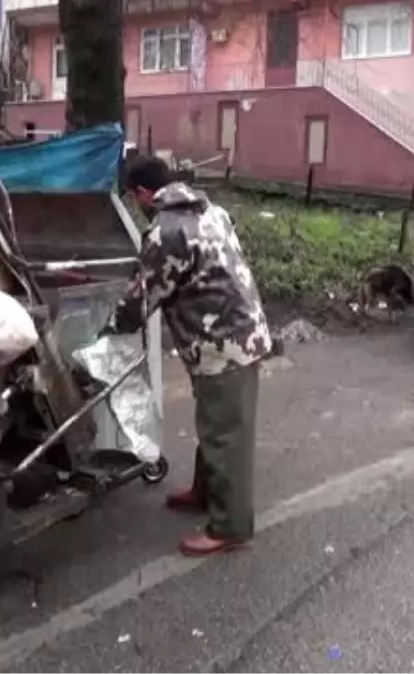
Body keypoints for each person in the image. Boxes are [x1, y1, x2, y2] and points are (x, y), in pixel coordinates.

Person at [101, 155, 272, 557]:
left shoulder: (165, 231)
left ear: (143, 193)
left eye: (133, 197)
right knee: (215, 421)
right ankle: (204, 491)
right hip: (237, 332)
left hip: (223, 343)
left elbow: (141, 300)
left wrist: (103, 336)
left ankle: (230, 527)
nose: (135, 205)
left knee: (226, 434)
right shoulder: (211, 209)